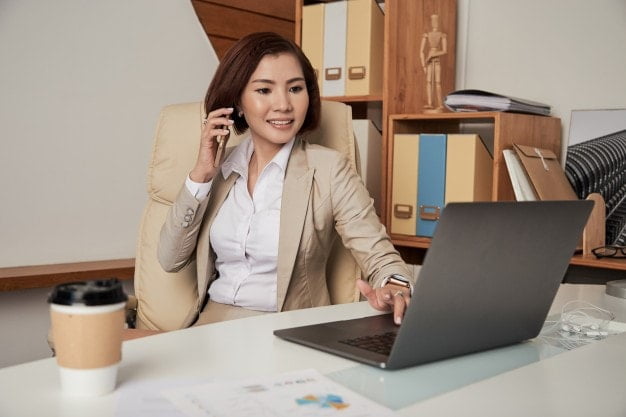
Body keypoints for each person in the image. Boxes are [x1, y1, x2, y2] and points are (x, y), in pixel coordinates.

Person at [158, 32, 414, 328]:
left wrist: (396, 286)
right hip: (210, 327)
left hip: (287, 329)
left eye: (295, 88)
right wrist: (201, 175)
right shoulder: (218, 169)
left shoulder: (329, 170)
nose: (283, 104)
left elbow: (379, 254)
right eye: (264, 90)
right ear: (237, 101)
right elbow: (170, 259)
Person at [420, 14, 447, 112]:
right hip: (429, 62)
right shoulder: (427, 34)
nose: (434, 23)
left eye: (436, 21)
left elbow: (444, 50)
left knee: (438, 83)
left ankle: (440, 104)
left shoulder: (442, 35)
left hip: (436, 60)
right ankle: (430, 103)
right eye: (433, 21)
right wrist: (423, 64)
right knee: (428, 82)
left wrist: (433, 55)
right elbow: (421, 51)